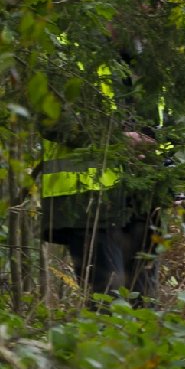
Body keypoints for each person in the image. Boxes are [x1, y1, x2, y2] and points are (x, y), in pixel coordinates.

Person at [38, 38, 168, 306]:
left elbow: (162, 126)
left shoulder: (146, 55)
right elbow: (52, 120)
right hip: (88, 199)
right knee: (108, 302)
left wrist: (168, 170)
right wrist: (117, 141)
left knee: (145, 304)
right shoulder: (67, 44)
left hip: (142, 200)